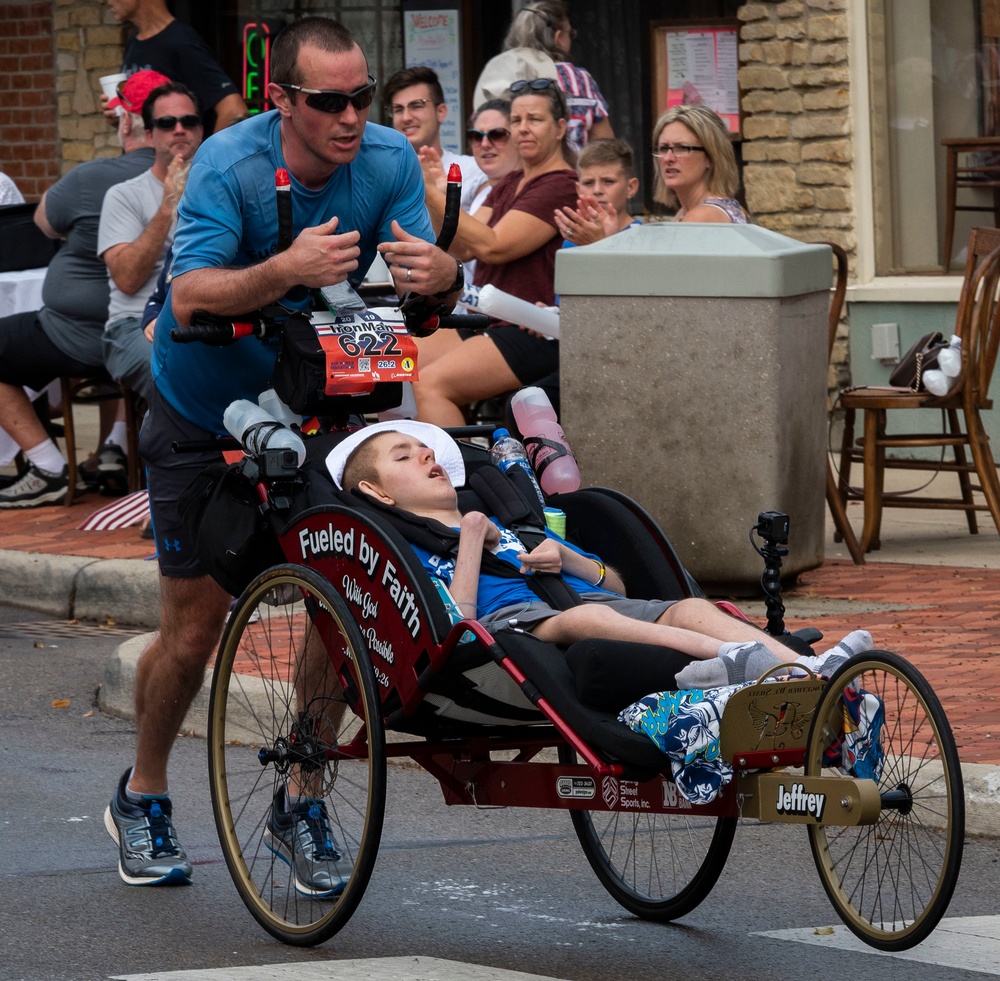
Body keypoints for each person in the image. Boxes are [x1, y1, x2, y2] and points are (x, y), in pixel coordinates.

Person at [105, 16, 465, 890]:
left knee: (339, 605)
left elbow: (416, 298)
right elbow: (187, 296)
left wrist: (440, 277)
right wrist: (289, 268)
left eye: (362, 98)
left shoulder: (383, 162)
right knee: (193, 633)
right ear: (284, 101)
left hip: (325, 404)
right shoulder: (229, 164)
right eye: (329, 101)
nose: (352, 117)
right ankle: (144, 794)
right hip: (204, 410)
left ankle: (303, 798)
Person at [333, 421, 873, 686]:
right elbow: (456, 624)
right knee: (585, 615)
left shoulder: (515, 525)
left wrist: (564, 559)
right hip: (510, 628)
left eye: (425, 448)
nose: (426, 454)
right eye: (405, 456)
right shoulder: (401, 549)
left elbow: (613, 584)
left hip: (583, 600)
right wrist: (472, 538)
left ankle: (810, 672)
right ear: (379, 493)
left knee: (684, 605)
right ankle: (732, 661)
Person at [0, 76, 158, 508]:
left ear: (125, 122)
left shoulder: (94, 177)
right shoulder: (195, 174)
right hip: (140, 328)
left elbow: (44, 223)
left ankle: (46, 465)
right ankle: (114, 449)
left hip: (87, 332)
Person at [411, 79, 578, 426]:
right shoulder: (509, 182)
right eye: (516, 121)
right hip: (488, 320)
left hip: (533, 327)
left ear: (561, 128)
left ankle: (462, 477)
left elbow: (494, 245)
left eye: (535, 119)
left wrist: (432, 194)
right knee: (396, 363)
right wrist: (437, 196)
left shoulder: (561, 184)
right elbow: (462, 249)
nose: (523, 129)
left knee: (432, 385)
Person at [99, 80, 203, 407]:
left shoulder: (223, 187)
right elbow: (127, 279)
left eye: (189, 121)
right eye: (166, 123)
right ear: (149, 135)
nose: (179, 130)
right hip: (133, 325)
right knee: (182, 375)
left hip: (203, 319)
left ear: (202, 129)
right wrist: (168, 202)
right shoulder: (124, 195)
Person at [473, 0, 613, 155]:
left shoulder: (499, 78)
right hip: (575, 175)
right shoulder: (578, 79)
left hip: (515, 175)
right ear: (558, 38)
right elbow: (605, 147)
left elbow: (480, 133)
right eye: (570, 34)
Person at [103, 0, 248, 133]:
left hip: (176, 160)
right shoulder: (134, 41)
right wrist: (121, 117)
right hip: (139, 159)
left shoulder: (181, 41)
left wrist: (206, 159)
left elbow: (233, 110)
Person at [383, 65, 487, 215]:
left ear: (441, 112)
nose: (406, 117)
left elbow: (481, 237)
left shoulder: (473, 172)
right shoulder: (381, 175)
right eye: (398, 109)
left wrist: (440, 200)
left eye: (417, 106)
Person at [651, 104, 748, 224]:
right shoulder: (689, 211)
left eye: (681, 148)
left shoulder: (702, 216)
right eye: (664, 148)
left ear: (710, 157)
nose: (668, 158)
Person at [553, 137, 641, 246]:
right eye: (588, 183)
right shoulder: (572, 242)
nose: (597, 190)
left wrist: (601, 243)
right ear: (578, 190)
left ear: (631, 188)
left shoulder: (645, 238)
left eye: (608, 181)